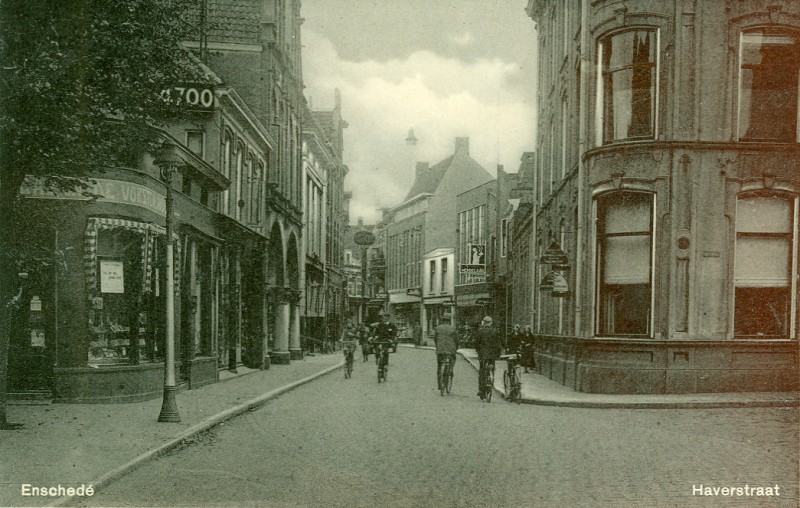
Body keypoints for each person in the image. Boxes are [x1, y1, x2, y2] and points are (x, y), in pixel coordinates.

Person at [475, 315, 503, 400]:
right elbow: (498, 344)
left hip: (483, 355)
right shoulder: (495, 331)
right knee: (491, 368)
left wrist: (479, 352)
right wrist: (498, 354)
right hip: (492, 355)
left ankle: (481, 391)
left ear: (484, 322)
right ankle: (491, 381)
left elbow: (476, 344)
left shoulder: (480, 331)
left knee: (482, 372)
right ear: (491, 323)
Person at [433, 312, 458, 391]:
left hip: (440, 350)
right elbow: (456, 340)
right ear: (449, 320)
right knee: (451, 362)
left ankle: (440, 385)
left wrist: (437, 346)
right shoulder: (453, 328)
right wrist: (456, 347)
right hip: (450, 350)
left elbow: (435, 339)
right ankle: (450, 371)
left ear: (443, 320)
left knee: (439, 366)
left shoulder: (437, 328)